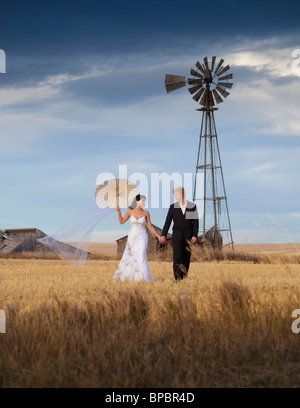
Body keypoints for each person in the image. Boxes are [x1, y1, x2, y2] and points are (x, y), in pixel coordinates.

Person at [113, 194, 160, 282]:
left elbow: (150, 226)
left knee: (141, 255)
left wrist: (158, 236)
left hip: (142, 237)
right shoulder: (130, 211)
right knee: (129, 255)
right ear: (137, 202)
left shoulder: (146, 213)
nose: (144, 203)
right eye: (143, 201)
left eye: (145, 201)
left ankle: (143, 278)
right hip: (132, 236)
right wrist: (119, 212)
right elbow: (121, 221)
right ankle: (127, 276)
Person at [159, 186, 199, 281]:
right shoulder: (173, 207)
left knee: (186, 258)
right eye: (174, 195)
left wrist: (194, 235)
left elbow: (195, 223)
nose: (175, 197)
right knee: (177, 258)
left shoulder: (191, 206)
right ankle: (177, 279)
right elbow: (167, 222)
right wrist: (163, 234)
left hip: (188, 237)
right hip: (177, 236)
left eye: (176, 195)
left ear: (182, 194)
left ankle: (184, 278)